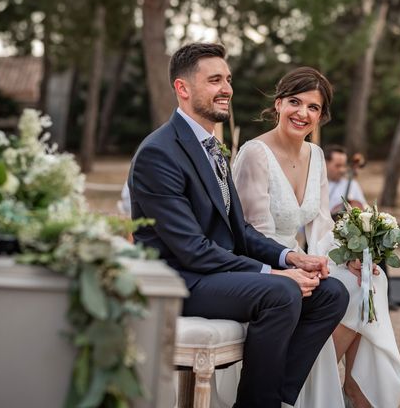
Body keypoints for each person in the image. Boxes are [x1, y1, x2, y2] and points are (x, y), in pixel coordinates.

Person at [128, 43, 349, 408]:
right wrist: (271, 274)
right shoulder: (159, 152)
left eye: (228, 79)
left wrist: (290, 259)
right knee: (280, 294)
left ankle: (272, 399)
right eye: (214, 80)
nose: (227, 88)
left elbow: (239, 233)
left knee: (331, 294)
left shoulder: (211, 147)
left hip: (212, 273)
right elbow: (191, 249)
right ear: (183, 89)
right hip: (180, 279)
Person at [232, 67, 400, 408]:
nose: (303, 113)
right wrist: (299, 264)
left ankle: (351, 388)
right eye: (295, 102)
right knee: (346, 289)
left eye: (313, 107)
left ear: (320, 116)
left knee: (369, 279)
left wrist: (348, 257)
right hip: (264, 262)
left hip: (304, 256)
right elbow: (252, 233)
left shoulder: (316, 155)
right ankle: (329, 389)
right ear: (279, 104)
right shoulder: (255, 153)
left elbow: (323, 224)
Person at [324, 144, 368, 213]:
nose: (342, 170)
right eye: (338, 166)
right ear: (325, 163)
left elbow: (365, 208)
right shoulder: (316, 184)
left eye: (344, 165)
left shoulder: (353, 184)